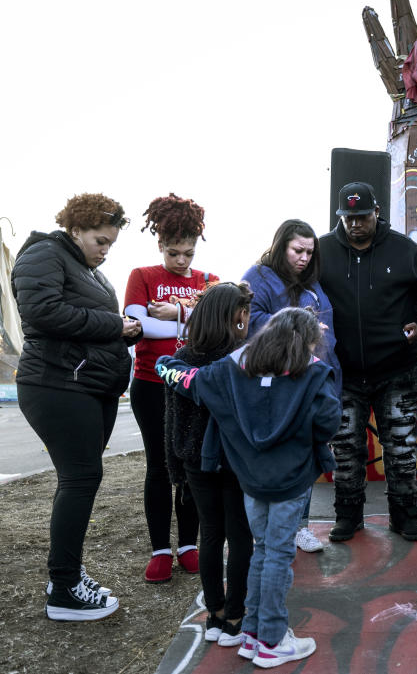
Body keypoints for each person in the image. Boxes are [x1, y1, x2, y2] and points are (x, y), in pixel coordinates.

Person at [156, 307, 340, 668]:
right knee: (278, 555)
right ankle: (272, 639)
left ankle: (253, 632)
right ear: (306, 339)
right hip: (291, 477)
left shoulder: (232, 370)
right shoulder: (313, 372)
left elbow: (186, 379)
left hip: (250, 477)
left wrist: (164, 362)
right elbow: (327, 422)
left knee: (262, 550)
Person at [12, 193, 140, 620]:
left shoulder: (86, 270)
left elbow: (90, 323)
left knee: (83, 478)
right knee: (80, 478)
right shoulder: (44, 254)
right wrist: (113, 324)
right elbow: (42, 311)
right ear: (76, 229)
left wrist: (126, 331)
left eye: (111, 244)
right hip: (56, 385)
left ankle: (65, 576)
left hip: (86, 385)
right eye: (100, 241)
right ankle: (63, 590)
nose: (105, 251)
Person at [316, 182, 417, 542]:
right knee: (346, 450)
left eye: (362, 216)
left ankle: (405, 515)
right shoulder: (321, 251)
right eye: (348, 217)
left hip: (398, 368)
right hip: (343, 372)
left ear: (376, 213)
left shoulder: (405, 250)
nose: (355, 224)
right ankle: (348, 516)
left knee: (401, 448)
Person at [124, 193, 214, 582]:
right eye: (174, 252)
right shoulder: (141, 276)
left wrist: (177, 314)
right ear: (160, 244)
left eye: (188, 254)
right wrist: (190, 319)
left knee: (192, 463)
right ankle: (161, 549)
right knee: (159, 466)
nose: (181, 261)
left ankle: (190, 545)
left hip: (193, 387)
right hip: (149, 383)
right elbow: (139, 325)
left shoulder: (208, 281)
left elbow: (220, 326)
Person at [164, 282, 254, 647]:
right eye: (244, 312)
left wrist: (175, 470)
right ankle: (236, 617)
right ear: (236, 315)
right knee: (240, 537)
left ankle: (214, 617)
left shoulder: (181, 359)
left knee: (211, 536)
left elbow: (170, 420)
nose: (247, 318)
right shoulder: (242, 359)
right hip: (234, 462)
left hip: (193, 462)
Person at [242, 219, 340, 554]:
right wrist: (297, 330)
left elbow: (329, 331)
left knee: (304, 453)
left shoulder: (312, 284)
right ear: (281, 245)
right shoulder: (257, 277)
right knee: (272, 456)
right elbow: (249, 324)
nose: (303, 258)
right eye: (298, 250)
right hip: (272, 385)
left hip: (309, 381)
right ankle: (266, 529)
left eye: (310, 253)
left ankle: (300, 526)